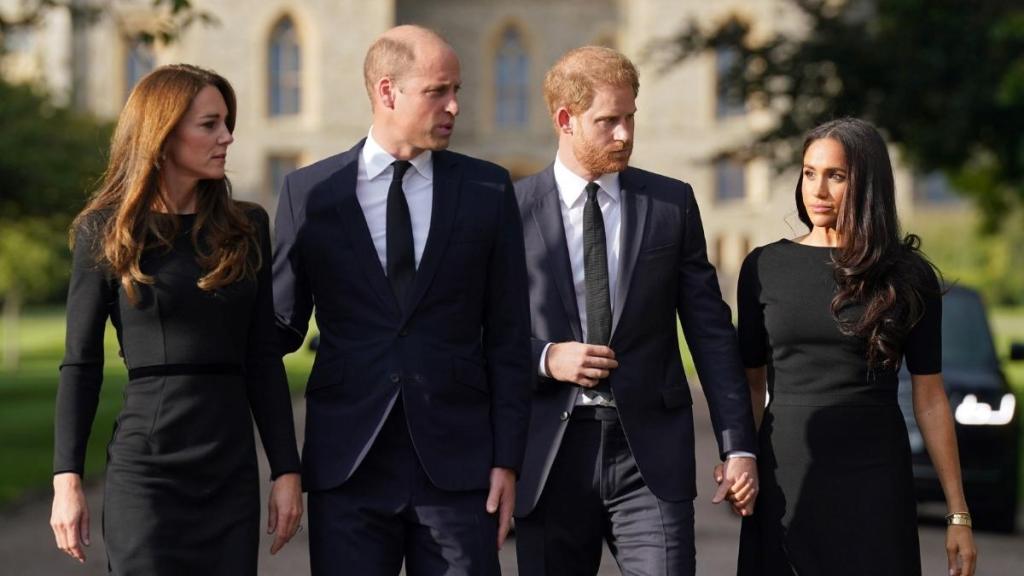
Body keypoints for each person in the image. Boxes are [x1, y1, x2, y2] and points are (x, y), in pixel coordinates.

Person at [271, 25, 532, 575]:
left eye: (455, 89)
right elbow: (278, 329)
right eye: (438, 91)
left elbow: (509, 336)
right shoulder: (310, 194)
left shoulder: (488, 190)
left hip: (460, 469)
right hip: (348, 464)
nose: (455, 105)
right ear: (387, 92)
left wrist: (508, 459)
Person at [512, 45, 759, 576]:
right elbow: (479, 332)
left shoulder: (671, 204)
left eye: (630, 118)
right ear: (565, 119)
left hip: (649, 458)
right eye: (608, 121)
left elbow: (711, 333)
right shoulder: (510, 211)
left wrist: (739, 445)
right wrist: (546, 358)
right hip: (549, 456)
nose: (624, 134)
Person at [49, 64, 303, 574]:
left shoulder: (247, 226)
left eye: (226, 122)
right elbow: (81, 364)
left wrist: (286, 470)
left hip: (229, 469)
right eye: (209, 124)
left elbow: (262, 359)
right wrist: (66, 479)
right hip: (147, 473)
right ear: (163, 135)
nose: (227, 137)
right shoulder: (106, 230)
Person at [735, 117, 976, 575]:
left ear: (867, 183)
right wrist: (740, 460)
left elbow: (929, 399)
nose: (817, 190)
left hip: (875, 480)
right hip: (786, 473)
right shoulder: (764, 266)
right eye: (809, 173)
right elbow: (748, 386)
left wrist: (957, 513)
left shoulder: (908, 275)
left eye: (835, 176)